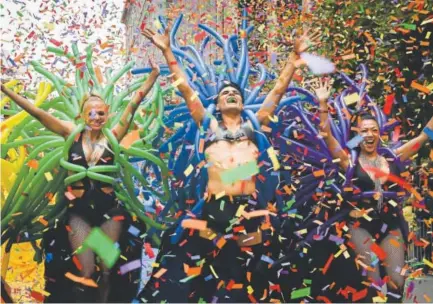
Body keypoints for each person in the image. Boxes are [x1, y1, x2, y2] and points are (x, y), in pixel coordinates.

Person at [138, 24, 320, 302]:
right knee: (191, 274)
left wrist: (294, 61)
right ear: (218, 105)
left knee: (246, 277)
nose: (231, 94)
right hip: (210, 215)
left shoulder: (253, 127)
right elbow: (186, 89)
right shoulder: (210, 127)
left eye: (236, 92)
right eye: (225, 94)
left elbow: (277, 92)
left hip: (248, 215)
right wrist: (167, 51)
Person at [0, 60, 160, 302]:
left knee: (107, 268)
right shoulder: (70, 132)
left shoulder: (114, 135)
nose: (96, 117)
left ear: (108, 113)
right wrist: (5, 90)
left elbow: (135, 101)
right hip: (79, 213)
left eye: (101, 113)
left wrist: (153, 75)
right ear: (82, 115)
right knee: (86, 269)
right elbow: (38, 113)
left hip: (110, 212)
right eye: (91, 113)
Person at [312, 78, 433, 300]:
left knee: (397, 281)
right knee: (374, 279)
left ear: (379, 134)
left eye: (373, 130)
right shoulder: (349, 161)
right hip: (360, 226)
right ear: (358, 135)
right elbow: (327, 135)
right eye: (364, 131)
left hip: (390, 223)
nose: (369, 134)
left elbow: (423, 137)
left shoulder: (393, 157)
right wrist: (322, 103)